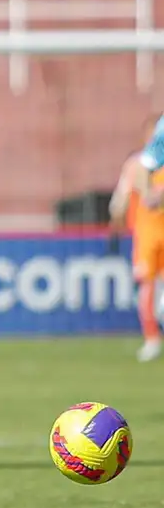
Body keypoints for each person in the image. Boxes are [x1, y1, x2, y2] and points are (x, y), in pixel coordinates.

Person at [111, 112, 164, 361]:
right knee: (147, 287)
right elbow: (122, 198)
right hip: (147, 235)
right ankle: (152, 339)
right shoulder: (137, 164)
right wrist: (117, 216)